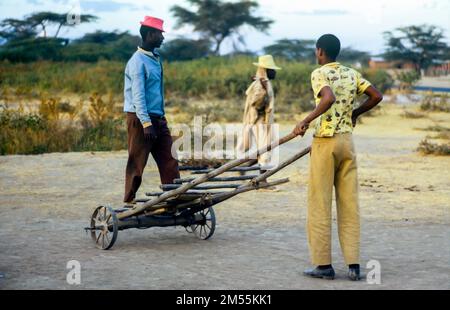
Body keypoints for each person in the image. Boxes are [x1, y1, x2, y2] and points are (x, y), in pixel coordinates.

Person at [293, 34, 383, 280]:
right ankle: (353, 265)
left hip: (325, 142)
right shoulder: (352, 73)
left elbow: (328, 97)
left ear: (320, 51)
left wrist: (305, 120)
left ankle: (323, 266)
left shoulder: (319, 73)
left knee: (319, 204)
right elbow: (376, 96)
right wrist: (355, 113)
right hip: (347, 143)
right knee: (349, 204)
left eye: (316, 51)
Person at [123, 16, 180, 204]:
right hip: (140, 120)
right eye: (160, 34)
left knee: (170, 158)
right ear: (149, 35)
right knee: (137, 162)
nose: (163, 38)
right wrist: (146, 124)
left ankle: (174, 197)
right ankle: (129, 200)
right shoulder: (137, 61)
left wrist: (158, 119)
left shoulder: (155, 59)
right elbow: (138, 96)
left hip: (158, 118)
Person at [236, 55, 281, 173]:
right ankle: (262, 181)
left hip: (260, 121)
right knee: (265, 149)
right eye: (272, 69)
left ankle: (244, 168)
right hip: (259, 121)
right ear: (265, 70)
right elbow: (256, 103)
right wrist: (265, 91)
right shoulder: (261, 85)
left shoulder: (263, 82)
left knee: (264, 149)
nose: (274, 72)